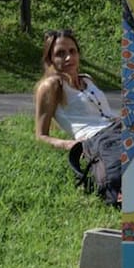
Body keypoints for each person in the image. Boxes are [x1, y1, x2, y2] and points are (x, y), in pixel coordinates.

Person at [33, 29, 122, 202]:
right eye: (60, 53)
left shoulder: (87, 79)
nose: (68, 57)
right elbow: (40, 136)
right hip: (97, 138)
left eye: (72, 51)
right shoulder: (50, 86)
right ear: (50, 58)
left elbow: (104, 114)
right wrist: (71, 145)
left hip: (119, 127)